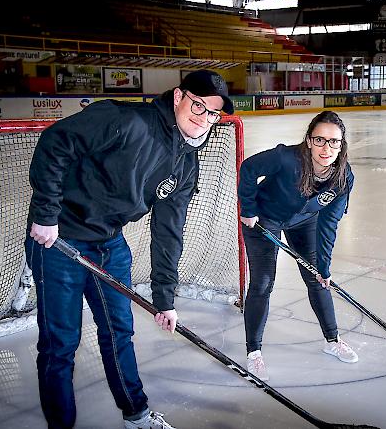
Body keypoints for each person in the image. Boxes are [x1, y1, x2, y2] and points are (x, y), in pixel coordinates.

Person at [25, 69, 234, 429]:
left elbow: (169, 232)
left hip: (109, 244)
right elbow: (55, 142)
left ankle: (135, 413)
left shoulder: (186, 164)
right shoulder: (126, 119)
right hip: (60, 239)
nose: (203, 119)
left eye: (212, 113)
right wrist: (46, 214)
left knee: (118, 332)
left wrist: (164, 298)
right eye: (198, 106)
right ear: (178, 98)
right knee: (61, 343)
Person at [238, 110, 357, 381]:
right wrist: (248, 207)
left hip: (304, 221)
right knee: (263, 283)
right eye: (320, 140)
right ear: (308, 140)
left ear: (342, 144)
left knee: (317, 280)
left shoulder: (343, 178)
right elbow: (249, 169)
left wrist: (324, 268)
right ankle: (253, 352)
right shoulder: (286, 158)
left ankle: (332, 340)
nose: (326, 148)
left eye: (334, 141)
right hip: (264, 219)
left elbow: (329, 224)